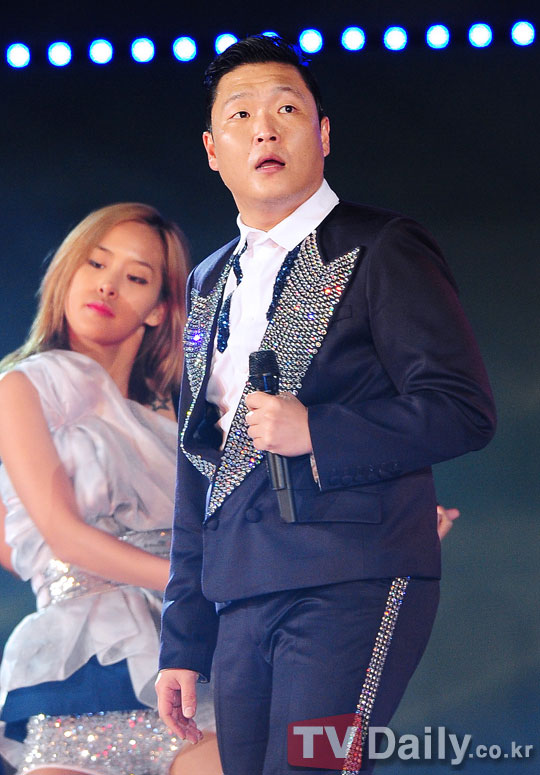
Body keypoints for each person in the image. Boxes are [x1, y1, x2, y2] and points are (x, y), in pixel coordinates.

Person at [156, 35, 496, 775]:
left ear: (324, 134)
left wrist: (319, 430)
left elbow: (463, 408)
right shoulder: (208, 282)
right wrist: (183, 637)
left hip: (352, 576)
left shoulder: (380, 246)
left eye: (286, 110)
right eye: (241, 115)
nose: (265, 130)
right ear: (213, 149)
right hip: (240, 594)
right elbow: (196, 466)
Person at [0, 203, 221, 775]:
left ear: (160, 308)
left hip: (188, 659)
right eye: (96, 263)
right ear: (68, 272)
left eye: (136, 277)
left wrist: (386, 530)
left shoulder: (182, 422)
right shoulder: (22, 386)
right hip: (79, 667)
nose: (107, 284)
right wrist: (192, 583)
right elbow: (58, 539)